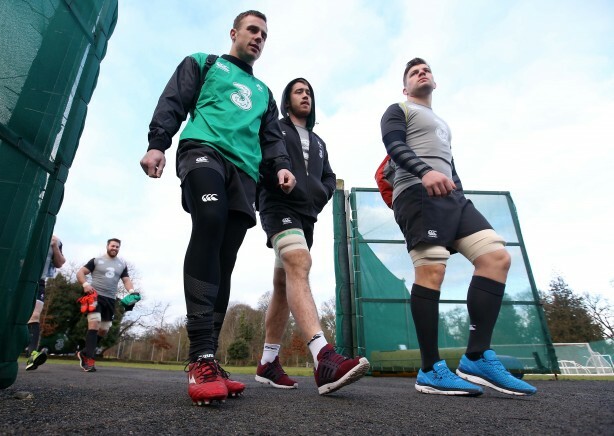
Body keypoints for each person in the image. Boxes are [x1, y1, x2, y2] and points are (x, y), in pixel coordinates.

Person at [139, 10, 296, 406]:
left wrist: (280, 168)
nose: (258, 38)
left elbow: (272, 141)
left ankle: (209, 360)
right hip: (203, 152)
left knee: (225, 257)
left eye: (264, 34)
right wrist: (158, 142)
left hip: (244, 173)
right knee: (208, 220)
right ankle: (200, 356)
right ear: (234, 33)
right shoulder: (204, 63)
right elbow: (174, 100)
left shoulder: (263, 93)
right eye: (252, 30)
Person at [380, 58, 537, 397]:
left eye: (427, 70)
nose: (423, 73)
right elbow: (393, 145)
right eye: (414, 72)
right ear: (405, 87)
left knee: (496, 257)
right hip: (417, 193)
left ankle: (477, 356)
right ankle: (430, 370)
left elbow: (450, 166)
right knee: (431, 272)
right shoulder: (398, 109)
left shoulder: (443, 124)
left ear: (434, 82)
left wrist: (458, 192)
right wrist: (424, 172)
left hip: (453, 198)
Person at [255, 78, 369, 395]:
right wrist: (276, 178)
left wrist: (316, 194)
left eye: (309, 92)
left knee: (283, 283)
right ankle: (323, 357)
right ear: (287, 100)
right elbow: (260, 157)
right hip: (277, 204)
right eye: (298, 92)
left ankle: (268, 362)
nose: (305, 96)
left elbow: (328, 179)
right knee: (299, 261)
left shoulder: (319, 142)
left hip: (306, 215)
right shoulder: (274, 128)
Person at [76, 238, 138, 373]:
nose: (114, 248)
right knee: (94, 323)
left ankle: (85, 352)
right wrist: (85, 284)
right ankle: (89, 360)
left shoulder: (122, 264)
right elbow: (80, 273)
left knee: (104, 329)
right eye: (112, 246)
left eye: (117, 247)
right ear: (107, 246)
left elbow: (126, 280)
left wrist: (132, 291)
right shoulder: (96, 260)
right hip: (94, 296)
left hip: (110, 299)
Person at [25, 234, 66, 370]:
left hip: (39, 282)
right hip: (19, 279)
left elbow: (60, 263)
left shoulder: (57, 240)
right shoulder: (28, 229)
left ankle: (32, 355)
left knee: (35, 315)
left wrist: (54, 246)